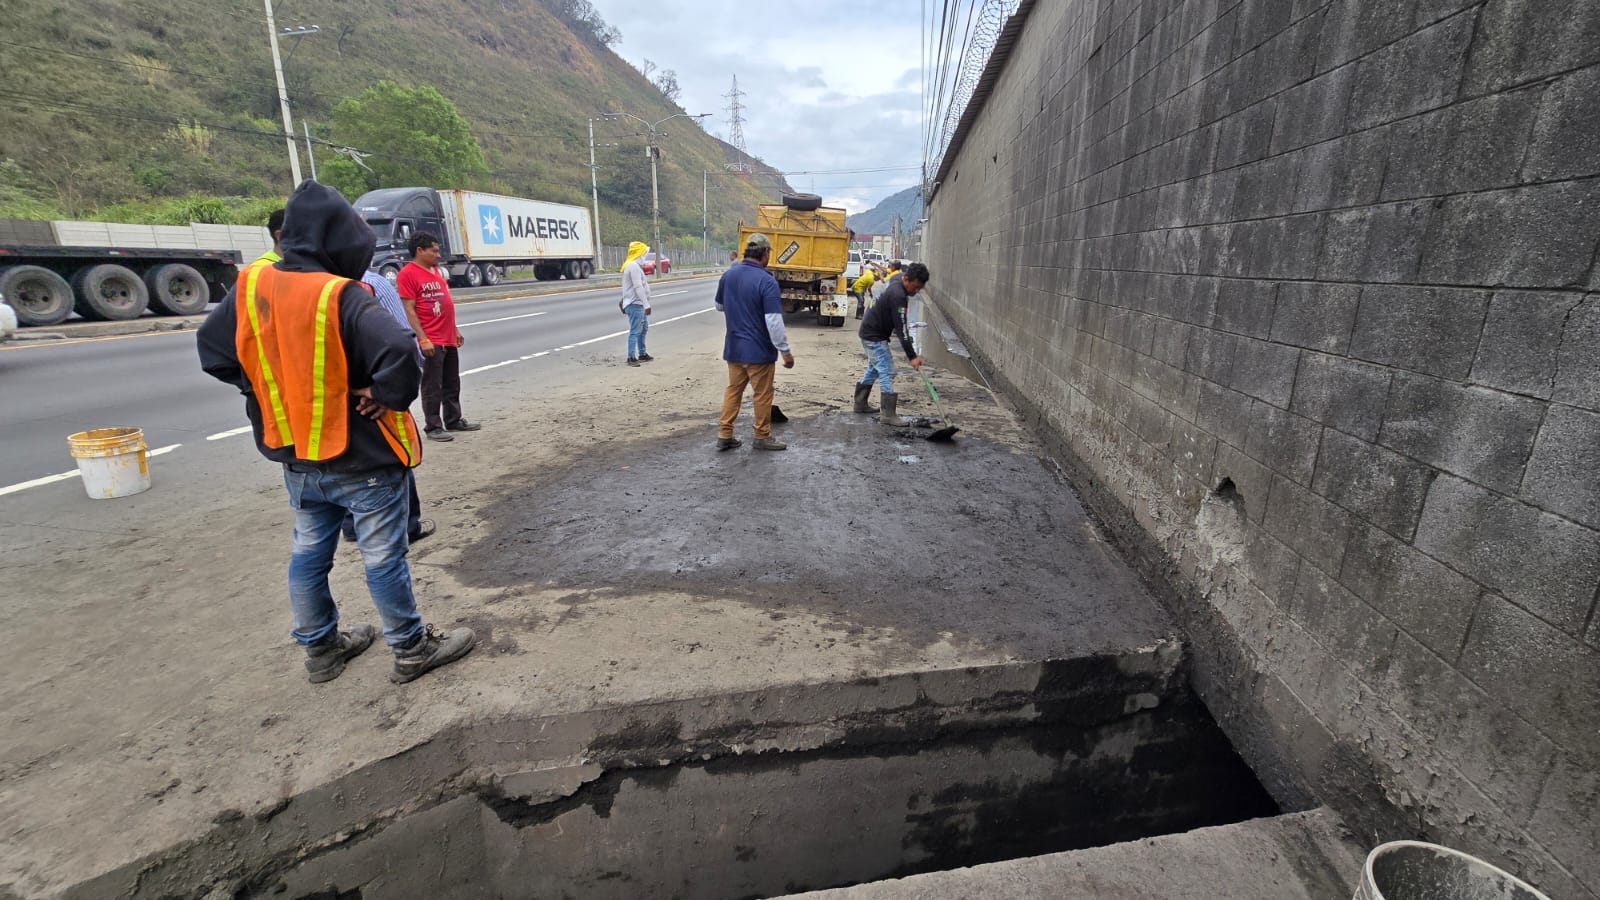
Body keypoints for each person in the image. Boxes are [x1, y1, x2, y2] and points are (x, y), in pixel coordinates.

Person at [197, 181, 474, 685]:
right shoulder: (336, 293)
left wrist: (263, 387)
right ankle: (410, 648)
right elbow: (401, 351)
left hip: (296, 455)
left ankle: (321, 650)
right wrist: (382, 395)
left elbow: (214, 353)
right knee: (382, 556)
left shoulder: (252, 286)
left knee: (308, 553)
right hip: (361, 454)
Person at [340, 269, 435, 545]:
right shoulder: (370, 285)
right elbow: (404, 344)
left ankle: (352, 524)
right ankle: (407, 525)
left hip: (328, 402)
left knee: (342, 461)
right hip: (372, 397)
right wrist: (388, 391)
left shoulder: (299, 289)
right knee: (393, 454)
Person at [396, 233, 481, 441]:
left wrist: (455, 329)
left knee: (452, 381)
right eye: (434, 250)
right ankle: (433, 426)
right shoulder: (408, 274)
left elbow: (445, 304)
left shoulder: (435, 271)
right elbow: (409, 309)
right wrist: (422, 338)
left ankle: (453, 419)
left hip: (447, 335)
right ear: (420, 250)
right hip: (431, 337)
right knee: (432, 385)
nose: (438, 254)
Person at [714, 233, 794, 451]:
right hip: (759, 351)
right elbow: (774, 321)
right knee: (762, 394)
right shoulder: (766, 281)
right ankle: (762, 436)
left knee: (733, 390)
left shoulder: (728, 275)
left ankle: (725, 434)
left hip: (734, 348)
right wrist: (785, 351)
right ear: (766, 253)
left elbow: (719, 306)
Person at [853, 262, 930, 425]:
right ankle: (888, 414)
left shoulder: (897, 278)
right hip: (873, 335)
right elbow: (902, 330)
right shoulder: (898, 296)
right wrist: (912, 357)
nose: (916, 292)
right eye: (915, 287)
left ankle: (860, 403)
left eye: (919, 288)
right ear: (907, 279)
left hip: (869, 330)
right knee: (887, 370)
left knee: (874, 368)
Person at [619, 241, 653, 366]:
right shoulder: (633, 266)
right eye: (644, 253)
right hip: (635, 304)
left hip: (637, 304)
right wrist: (646, 305)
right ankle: (631, 357)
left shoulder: (635, 266)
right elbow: (638, 287)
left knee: (643, 329)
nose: (645, 256)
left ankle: (642, 354)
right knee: (635, 330)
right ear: (639, 254)